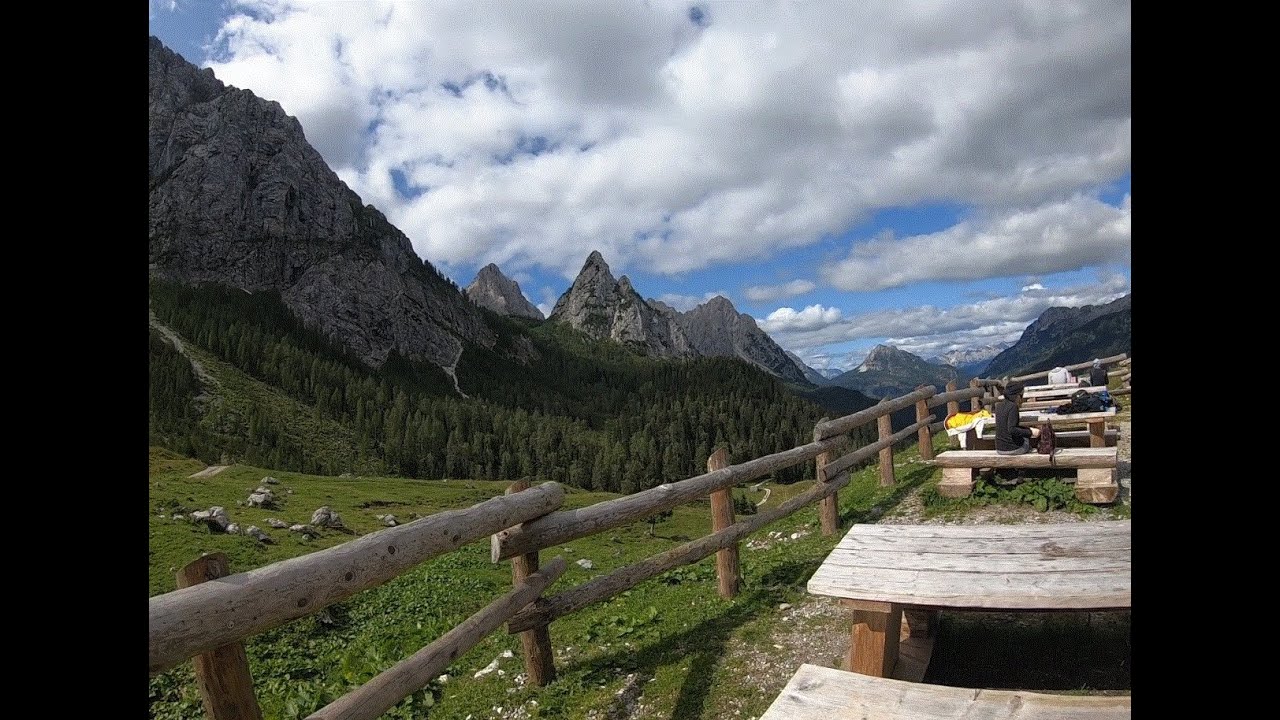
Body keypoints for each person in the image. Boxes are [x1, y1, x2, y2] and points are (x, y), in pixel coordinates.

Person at [995, 381, 1040, 455]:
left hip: (999, 448)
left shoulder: (998, 406)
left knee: (1024, 438)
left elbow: (1007, 426)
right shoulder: (1013, 407)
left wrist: (1028, 429)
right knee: (1026, 440)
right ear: (1017, 395)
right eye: (1022, 395)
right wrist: (1031, 432)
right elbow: (1012, 429)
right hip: (1012, 449)